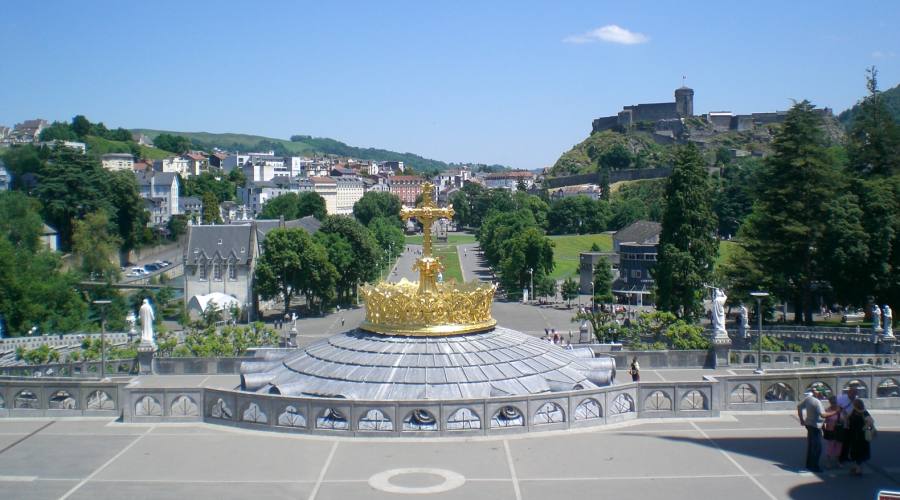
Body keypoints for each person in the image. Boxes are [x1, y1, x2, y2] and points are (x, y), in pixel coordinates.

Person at [797, 389, 837, 472]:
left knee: (811, 445)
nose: (823, 396)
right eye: (822, 394)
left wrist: (801, 419)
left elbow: (799, 406)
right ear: (818, 394)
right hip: (815, 426)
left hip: (809, 424)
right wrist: (835, 411)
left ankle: (809, 464)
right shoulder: (817, 402)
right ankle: (814, 466)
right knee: (817, 448)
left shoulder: (809, 398)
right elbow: (823, 415)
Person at [847, 399, 874, 475]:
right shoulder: (860, 412)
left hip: (858, 435)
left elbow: (870, 422)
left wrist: (864, 428)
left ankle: (858, 469)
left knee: (857, 451)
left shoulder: (860, 412)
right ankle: (856, 467)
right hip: (858, 435)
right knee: (858, 451)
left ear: (856, 405)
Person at [837, 385, 859, 464]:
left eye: (855, 393)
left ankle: (846, 456)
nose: (854, 395)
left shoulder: (856, 400)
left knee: (849, 441)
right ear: (849, 392)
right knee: (842, 441)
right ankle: (840, 457)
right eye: (853, 393)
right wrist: (841, 411)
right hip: (842, 423)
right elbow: (834, 407)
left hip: (851, 423)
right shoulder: (841, 398)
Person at [822, 396, 842, 469]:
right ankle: (828, 462)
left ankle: (837, 461)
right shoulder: (827, 410)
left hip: (839, 431)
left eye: (835, 402)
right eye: (832, 402)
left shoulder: (841, 409)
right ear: (830, 402)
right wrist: (824, 430)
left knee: (839, 447)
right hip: (830, 430)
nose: (834, 404)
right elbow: (823, 421)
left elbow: (846, 419)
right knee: (830, 447)